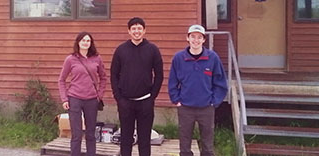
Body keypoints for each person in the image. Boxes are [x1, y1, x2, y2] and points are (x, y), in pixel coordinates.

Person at [168, 24, 228, 156]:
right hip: (185, 107)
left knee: (207, 144)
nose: (196, 40)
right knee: (184, 144)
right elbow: (172, 82)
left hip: (206, 107)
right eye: (193, 37)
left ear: (204, 40)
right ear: (187, 38)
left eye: (199, 37)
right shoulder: (179, 58)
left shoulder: (212, 58)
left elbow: (221, 83)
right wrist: (176, 99)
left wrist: (214, 101)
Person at [110, 17, 164, 156]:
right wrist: (119, 98)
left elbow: (159, 75)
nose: (136, 31)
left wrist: (152, 97)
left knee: (145, 140)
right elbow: (113, 75)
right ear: (129, 31)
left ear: (144, 30)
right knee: (126, 139)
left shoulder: (152, 50)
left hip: (145, 102)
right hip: (125, 102)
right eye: (133, 28)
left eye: (139, 28)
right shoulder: (121, 50)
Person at [58, 31, 107, 156]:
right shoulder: (70, 59)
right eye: (83, 40)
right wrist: (64, 99)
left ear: (91, 43)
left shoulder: (97, 58)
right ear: (78, 42)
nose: (86, 43)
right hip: (74, 99)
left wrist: (99, 96)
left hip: (91, 100)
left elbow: (103, 78)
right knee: (76, 134)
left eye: (88, 41)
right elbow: (61, 80)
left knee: (90, 134)